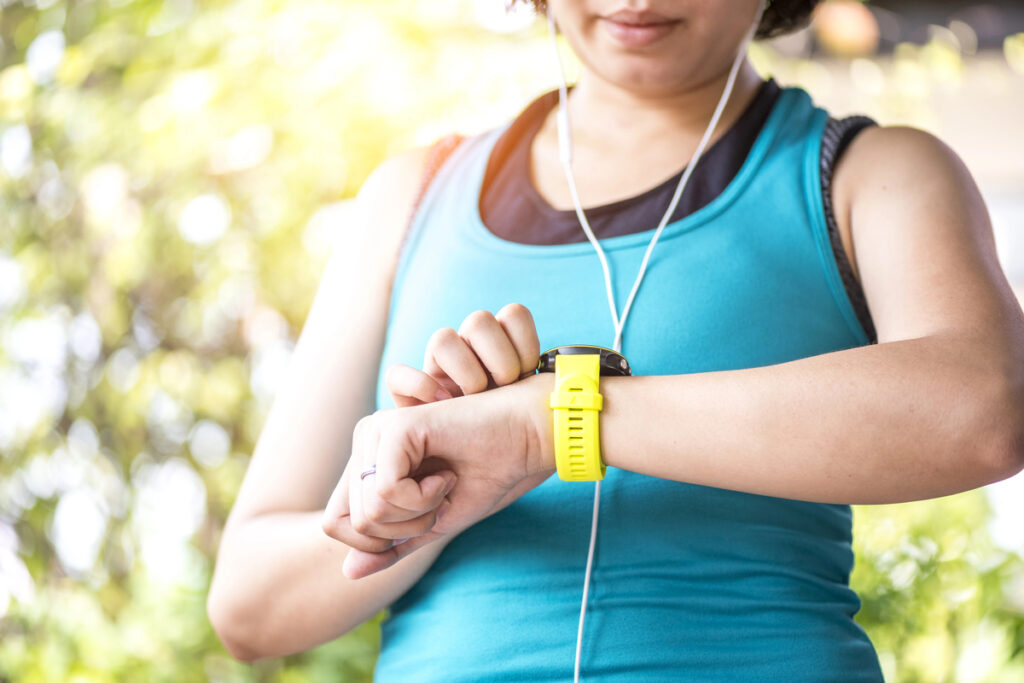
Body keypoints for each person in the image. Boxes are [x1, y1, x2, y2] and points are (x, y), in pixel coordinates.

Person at [207, 0, 1024, 680]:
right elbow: (249, 604)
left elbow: (987, 407)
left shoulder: (870, 174)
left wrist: (549, 424)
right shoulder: (411, 198)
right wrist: (437, 497)